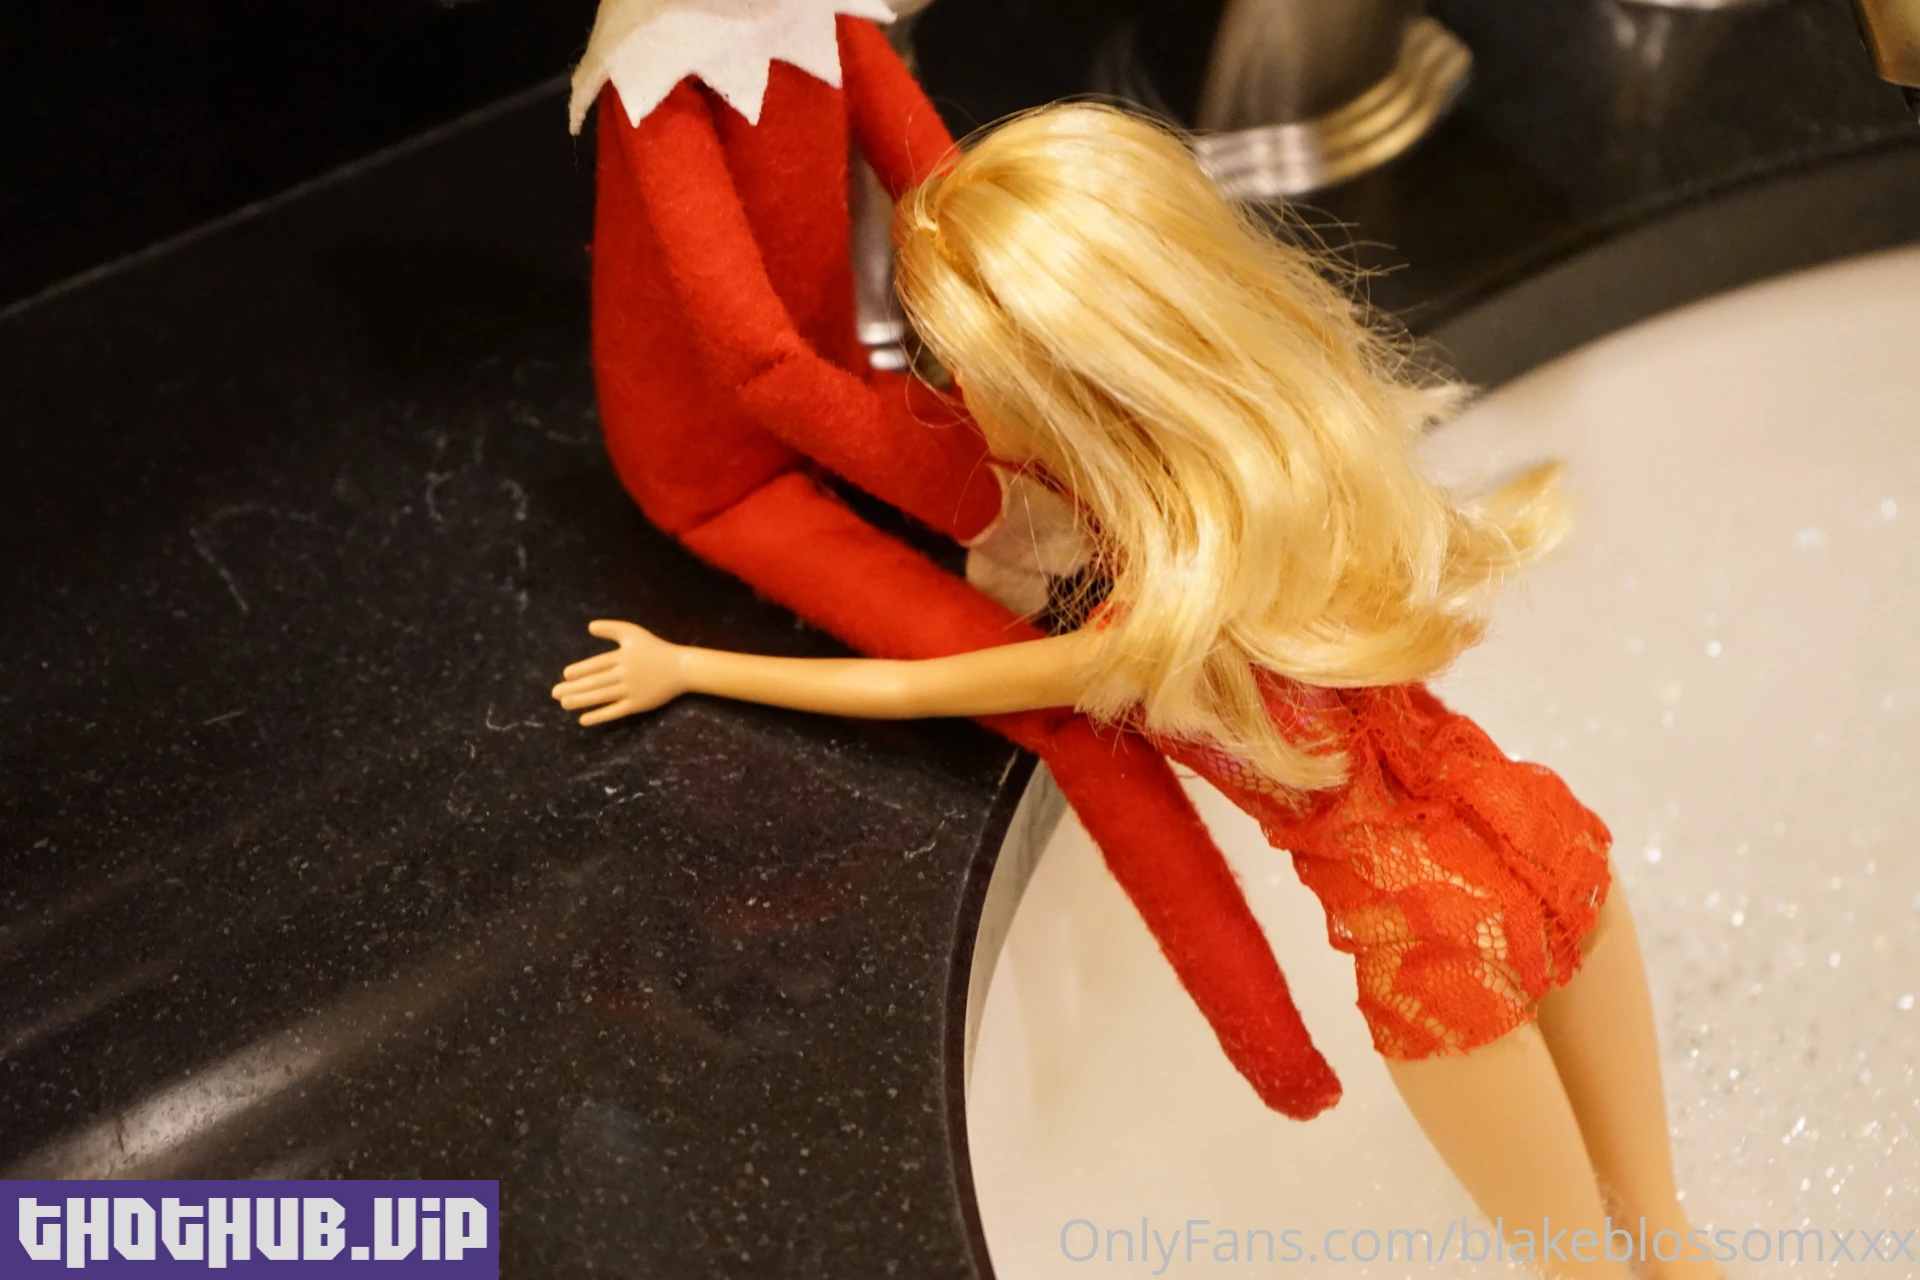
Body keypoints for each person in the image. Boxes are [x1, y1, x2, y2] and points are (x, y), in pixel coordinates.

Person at [556, 102, 1725, 1280]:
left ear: (1055, 394)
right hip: (1539, 834)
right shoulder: (1304, 478)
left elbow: (919, 687)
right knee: (1662, 1237)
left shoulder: (1150, 633)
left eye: (966, 374)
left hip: (1432, 943)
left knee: (1581, 1272)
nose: (954, 397)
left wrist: (691, 664)